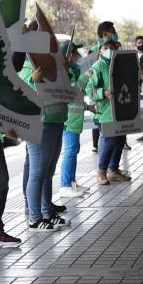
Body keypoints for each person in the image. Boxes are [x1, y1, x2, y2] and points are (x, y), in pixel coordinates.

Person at [18, 51, 70, 231]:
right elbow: (22, 97)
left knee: (48, 173)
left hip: (57, 121)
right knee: (37, 174)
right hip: (41, 125)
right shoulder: (26, 67)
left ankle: (47, 213)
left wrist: (65, 73)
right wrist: (36, 81)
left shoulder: (53, 65)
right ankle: (35, 219)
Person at [87, 37, 130, 185]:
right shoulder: (97, 67)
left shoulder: (117, 65)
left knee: (119, 141)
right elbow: (89, 90)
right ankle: (102, 172)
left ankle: (113, 171)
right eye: (105, 48)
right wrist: (103, 93)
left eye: (111, 47)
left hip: (118, 111)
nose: (109, 50)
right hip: (103, 112)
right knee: (110, 141)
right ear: (99, 51)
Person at [58, 41, 93, 198]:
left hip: (73, 117)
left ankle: (72, 183)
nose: (79, 55)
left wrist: (87, 107)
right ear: (70, 55)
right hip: (69, 119)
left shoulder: (71, 70)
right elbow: (73, 92)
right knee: (71, 151)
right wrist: (85, 78)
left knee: (73, 150)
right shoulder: (66, 72)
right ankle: (65, 185)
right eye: (77, 53)